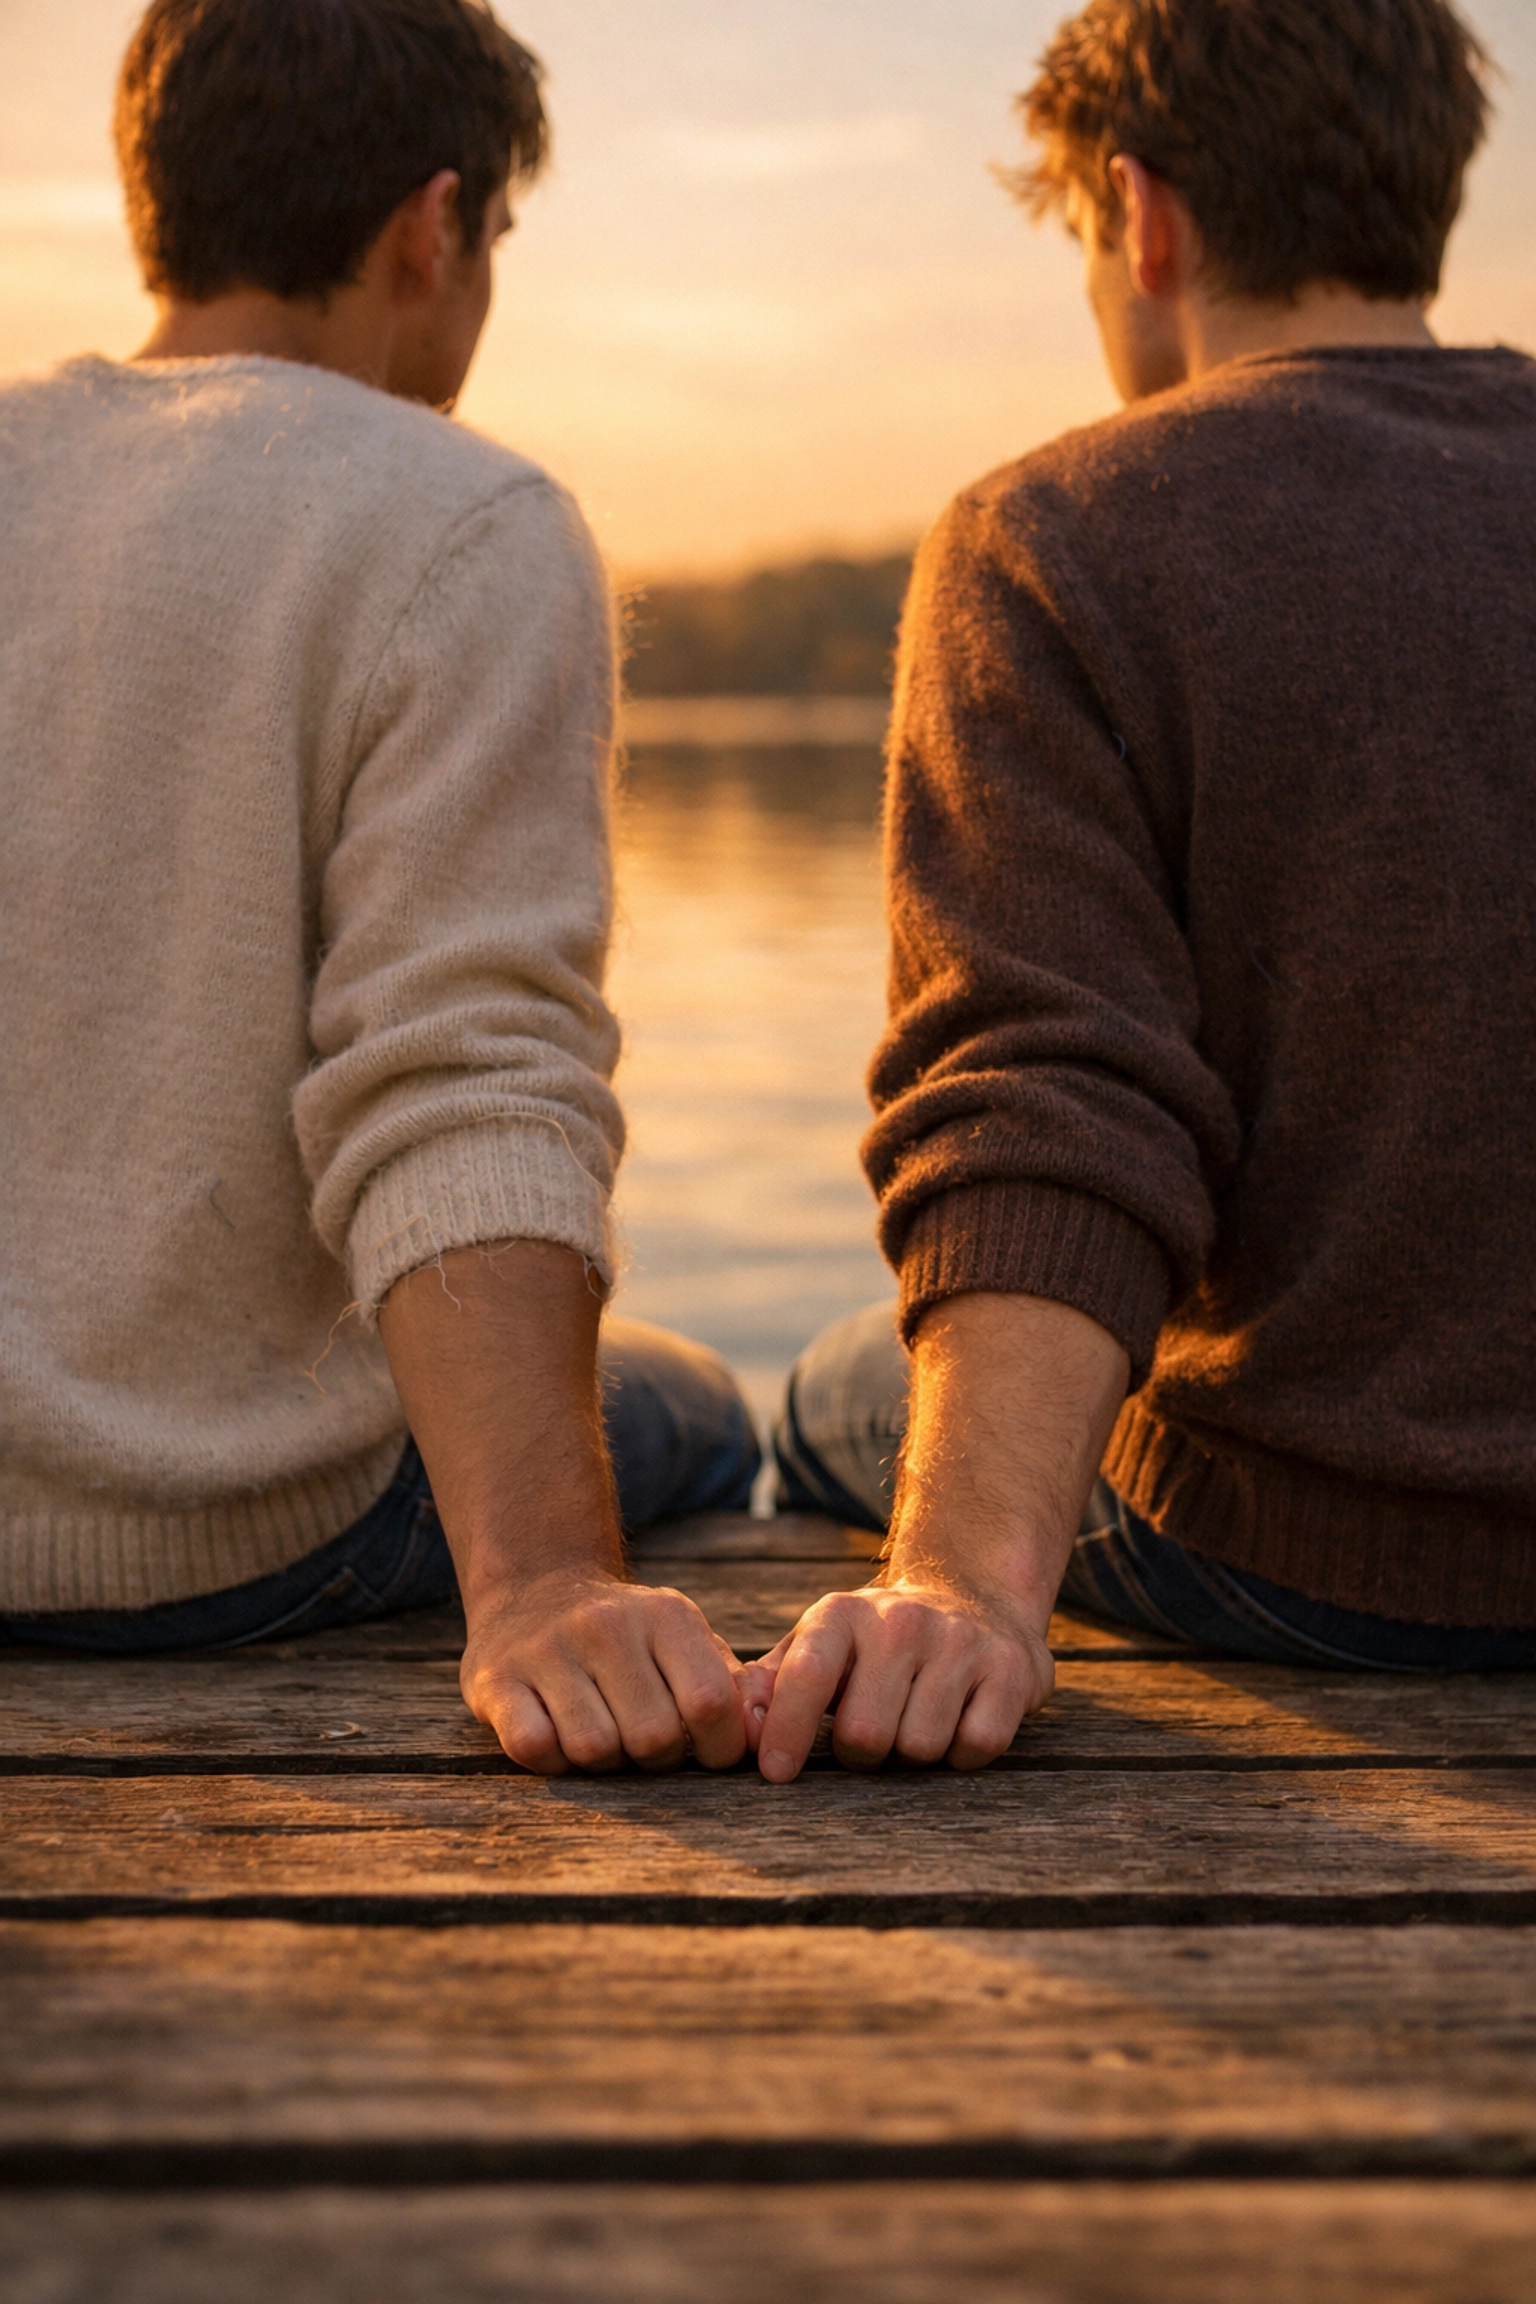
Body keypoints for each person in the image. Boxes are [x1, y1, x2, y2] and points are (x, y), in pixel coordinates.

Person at [763, 0, 1536, 1785]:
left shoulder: (1057, 537)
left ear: (1142, 217)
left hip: (1300, 1551)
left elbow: (1054, 1102)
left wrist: (960, 1583)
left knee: (824, 1400)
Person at [0, 0, 767, 1778]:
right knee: (706, 1409)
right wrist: (545, 1584)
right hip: (220, 1545)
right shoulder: (459, 521)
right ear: (435, 229)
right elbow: (459, 1068)